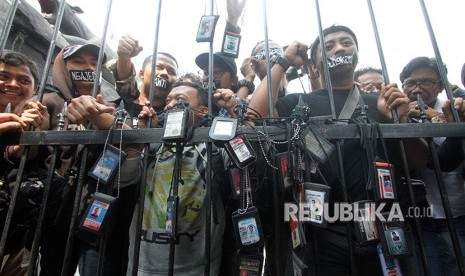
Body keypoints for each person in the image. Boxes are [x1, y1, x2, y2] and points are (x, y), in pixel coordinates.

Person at [247, 24, 426, 275]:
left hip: (382, 225)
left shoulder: (383, 102)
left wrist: (402, 122)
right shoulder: (301, 103)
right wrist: (284, 61)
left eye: (346, 42)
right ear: (315, 62)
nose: (339, 48)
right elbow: (255, 116)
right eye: (328, 47)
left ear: (357, 52)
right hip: (323, 230)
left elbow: (419, 160)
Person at [126, 77, 232, 275]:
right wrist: (141, 139)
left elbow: (248, 167)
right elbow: (125, 180)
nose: (171, 105)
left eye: (180, 100)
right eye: (168, 101)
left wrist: (233, 112)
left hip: (198, 269)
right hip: (143, 267)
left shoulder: (214, 149)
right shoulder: (153, 147)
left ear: (202, 112)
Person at [401, 56, 465, 276]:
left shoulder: (456, 110)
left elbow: (446, 159)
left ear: (440, 85)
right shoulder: (398, 116)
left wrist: (437, 119)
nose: (417, 89)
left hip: (457, 212)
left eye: (426, 82)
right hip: (419, 216)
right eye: (410, 83)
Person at [0, 50, 49, 276]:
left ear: (35, 89)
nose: (12, 84)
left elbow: (29, 159)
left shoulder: (33, 120)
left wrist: (34, 134)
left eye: (23, 80)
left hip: (14, 240)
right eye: (4, 76)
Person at [110, 35, 178, 126]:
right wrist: (124, 57)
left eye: (172, 72)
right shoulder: (116, 107)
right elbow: (125, 82)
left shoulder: (176, 115)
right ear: (141, 74)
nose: (165, 73)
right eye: (158, 67)